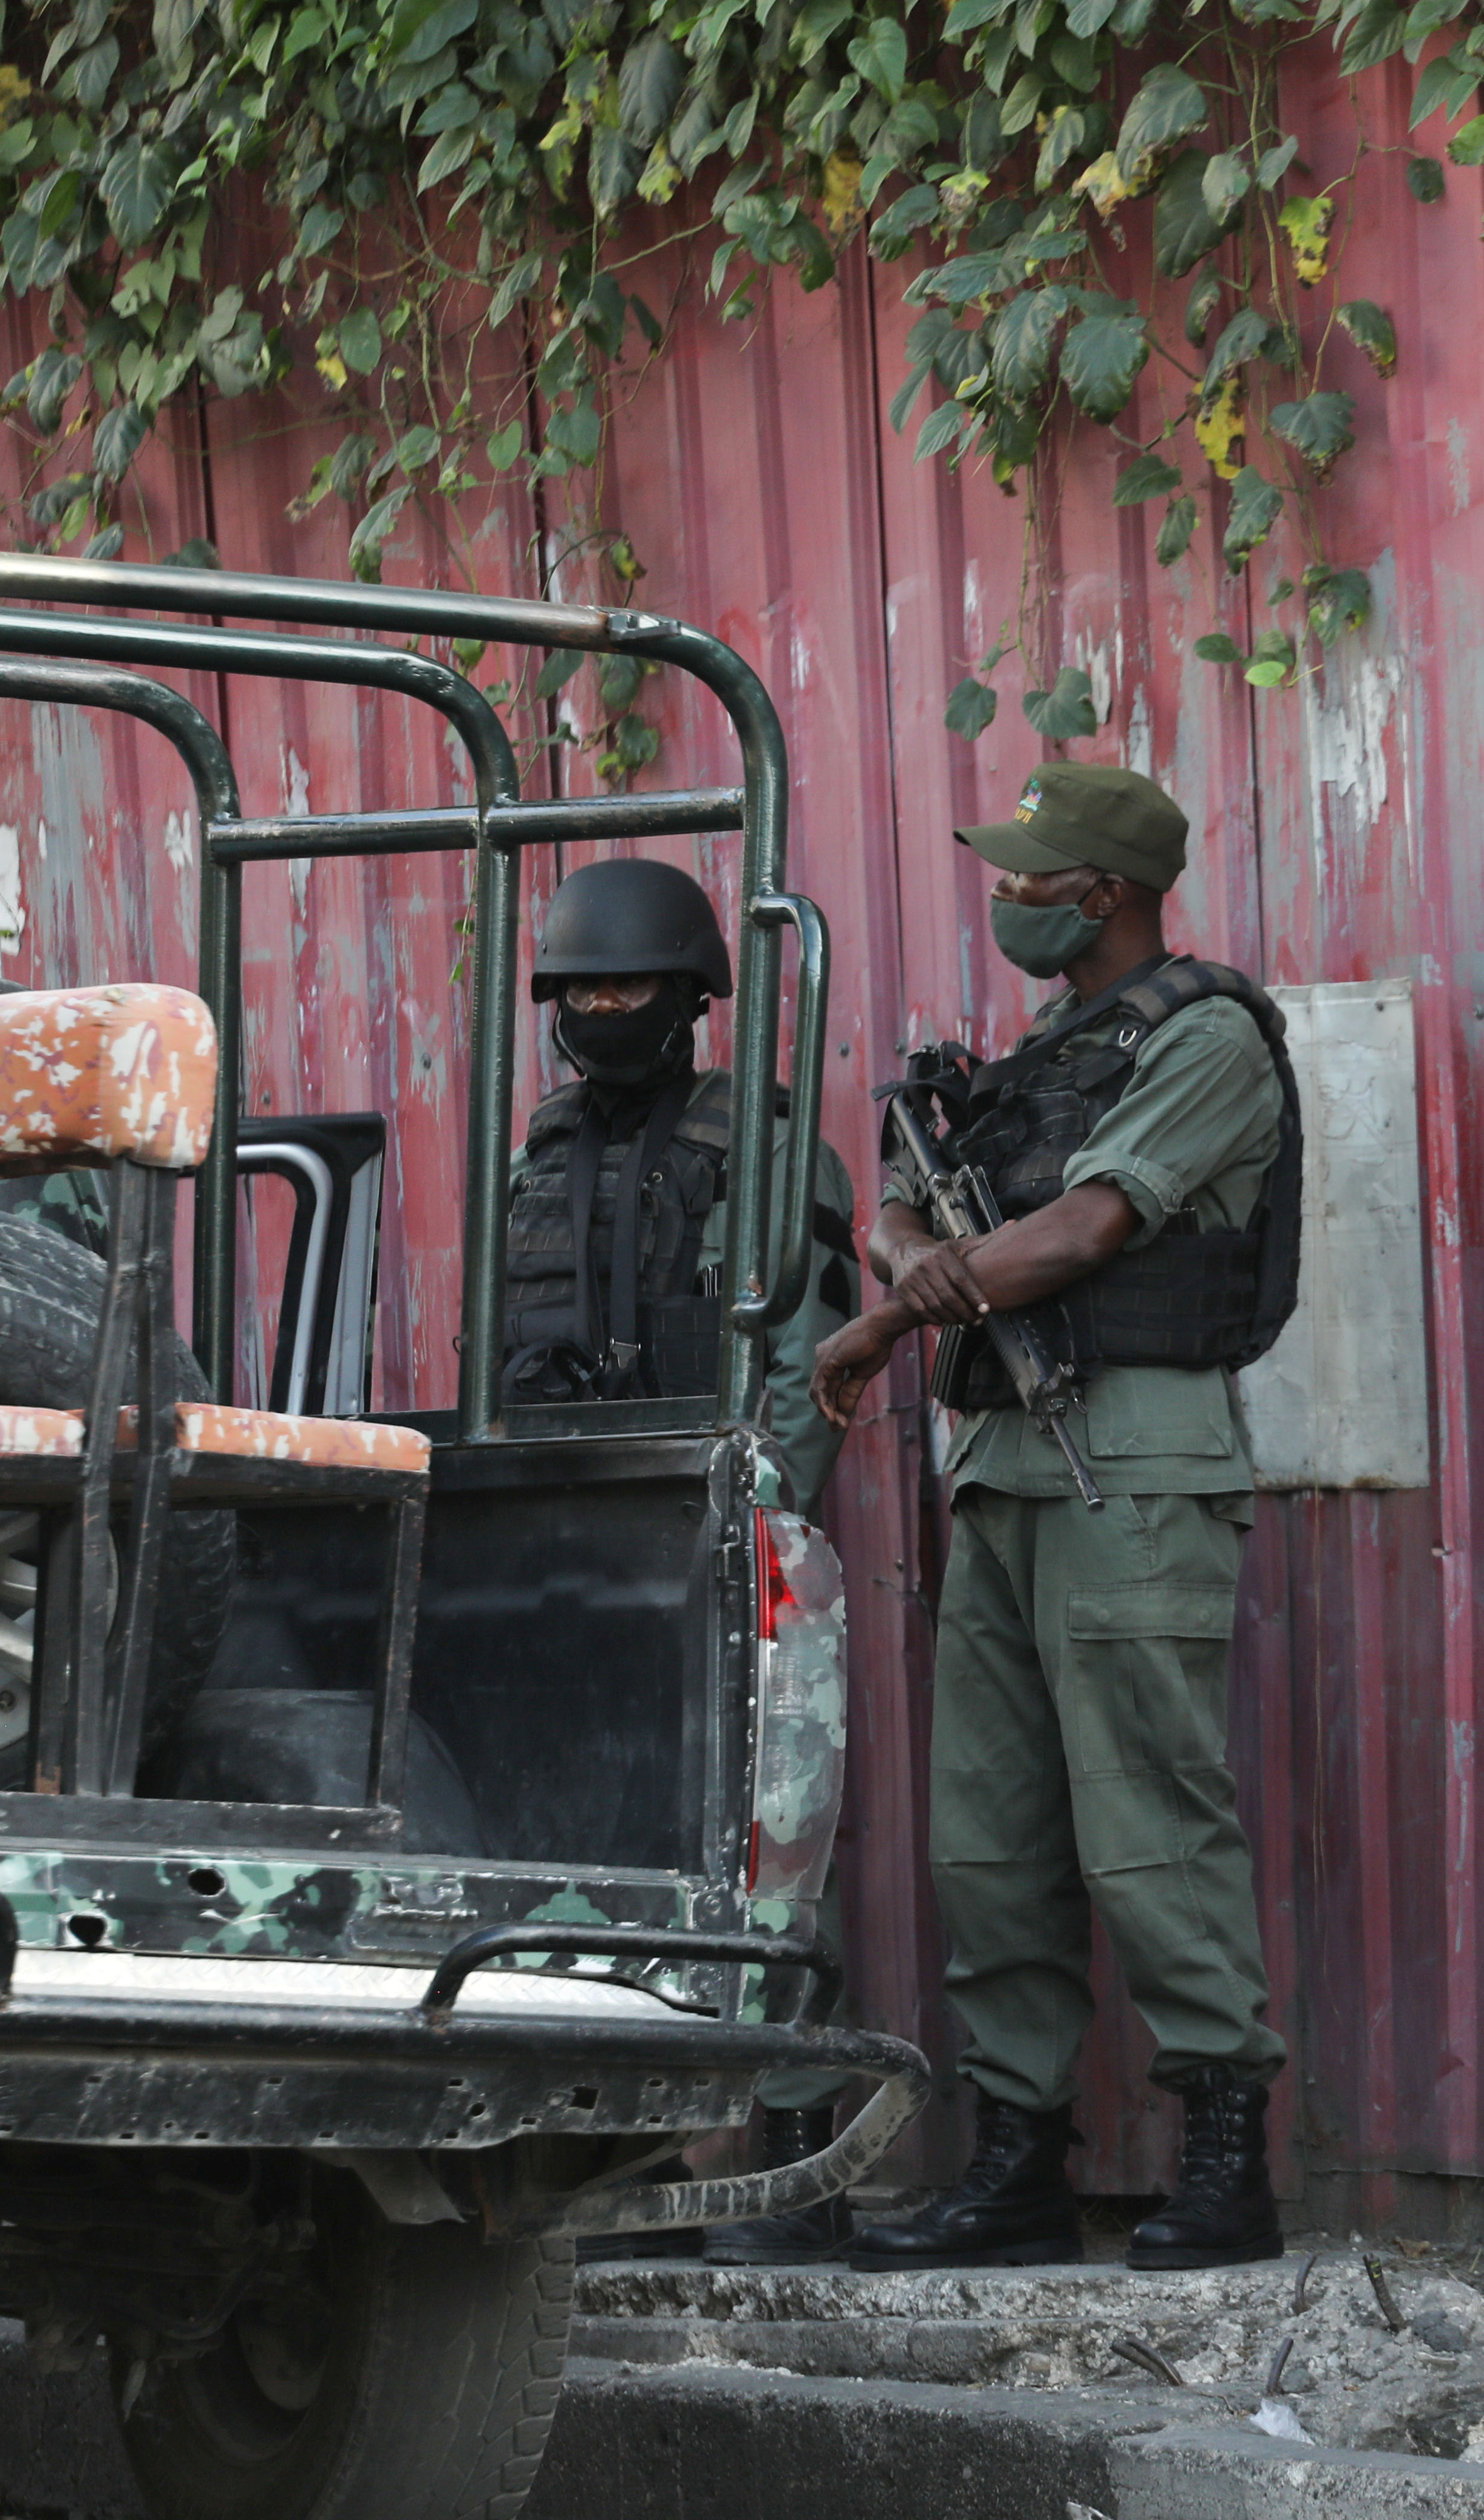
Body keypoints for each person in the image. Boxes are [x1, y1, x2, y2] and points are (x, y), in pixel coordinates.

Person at [812, 760, 1301, 2273]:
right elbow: (898, 1208)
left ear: (1106, 893)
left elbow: (1088, 1229)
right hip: (1007, 1469)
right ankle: (1019, 2157)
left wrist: (890, 1322)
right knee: (991, 1838)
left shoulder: (1209, 1041)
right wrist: (911, 1256)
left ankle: (1226, 2158)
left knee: (1150, 1820)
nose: (1011, 895)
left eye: (1034, 878)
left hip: (1132, 1470)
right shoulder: (1042, 1059)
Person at [505, 856, 866, 2261]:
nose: (602, 1005)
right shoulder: (540, 1149)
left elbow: (813, 1366)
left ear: (691, 997)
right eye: (582, 986)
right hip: (571, 1542)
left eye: (628, 984)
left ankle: (797, 2159)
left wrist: (751, 1517)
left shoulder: (772, 1150)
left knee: (760, 1851)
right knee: (591, 1849)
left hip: (725, 1538)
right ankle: (622, 2164)